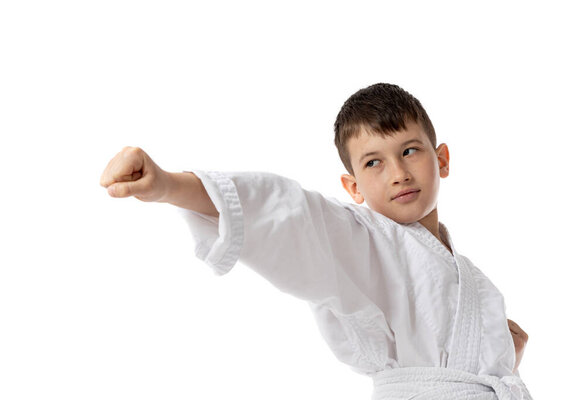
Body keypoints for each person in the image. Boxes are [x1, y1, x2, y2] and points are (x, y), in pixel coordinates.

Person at [100, 83, 532, 399]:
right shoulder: (363, 241)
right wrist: (170, 186)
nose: (398, 173)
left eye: (409, 151)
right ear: (353, 187)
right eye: (374, 162)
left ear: (442, 160)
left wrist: (503, 356)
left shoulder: (476, 280)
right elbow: (292, 216)